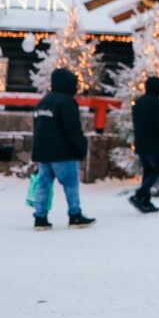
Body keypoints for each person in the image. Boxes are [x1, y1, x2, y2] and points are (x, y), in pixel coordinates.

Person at [31, 68, 95, 230]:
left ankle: (40, 217)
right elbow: (72, 128)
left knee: (44, 184)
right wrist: (81, 146)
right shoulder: (67, 102)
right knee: (70, 184)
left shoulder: (43, 102)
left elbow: (36, 127)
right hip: (63, 152)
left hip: (43, 152)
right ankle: (75, 215)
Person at [129, 76, 159, 213]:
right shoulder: (156, 104)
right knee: (158, 170)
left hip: (140, 142)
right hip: (154, 144)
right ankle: (139, 195)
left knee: (148, 171)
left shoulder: (138, 103)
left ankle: (145, 200)